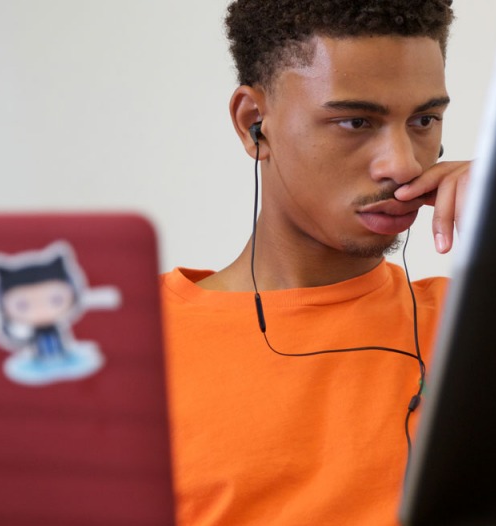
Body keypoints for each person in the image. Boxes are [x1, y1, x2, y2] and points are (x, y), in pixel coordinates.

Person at [159, 1, 467, 524]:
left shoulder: (485, 325)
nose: (402, 164)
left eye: (424, 120)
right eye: (355, 121)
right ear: (254, 124)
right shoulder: (125, 343)